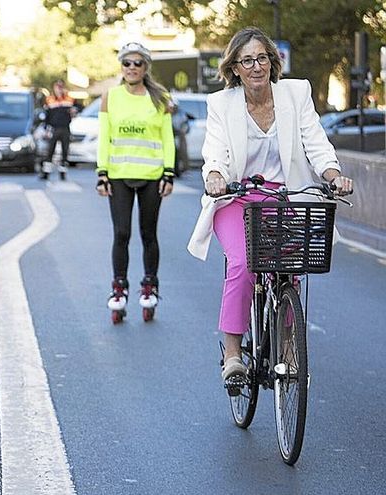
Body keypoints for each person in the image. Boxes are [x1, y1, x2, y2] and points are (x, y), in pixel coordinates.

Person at [186, 27, 354, 384]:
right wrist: (215, 176)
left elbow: (316, 143)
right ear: (235, 68)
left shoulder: (296, 94)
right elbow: (214, 151)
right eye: (247, 60)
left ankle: (288, 344)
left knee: (289, 266)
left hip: (285, 198)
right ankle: (233, 352)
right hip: (236, 198)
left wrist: (333, 174)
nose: (256, 66)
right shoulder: (221, 103)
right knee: (245, 262)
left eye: (262, 58)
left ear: (272, 62)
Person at [96, 42, 175, 321]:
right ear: (121, 67)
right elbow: (104, 136)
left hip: (152, 177)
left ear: (146, 67)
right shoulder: (110, 96)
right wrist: (101, 172)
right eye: (126, 63)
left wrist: (169, 172)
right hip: (118, 176)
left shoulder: (160, 97)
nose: (131, 68)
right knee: (121, 234)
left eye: (137, 63)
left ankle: (149, 285)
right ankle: (119, 288)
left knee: (148, 234)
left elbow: (167, 138)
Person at [40, 79, 76, 181]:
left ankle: (63, 173)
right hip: (54, 129)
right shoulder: (50, 99)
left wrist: (73, 112)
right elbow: (47, 115)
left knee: (65, 152)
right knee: (49, 152)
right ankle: (46, 172)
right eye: (57, 87)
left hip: (65, 128)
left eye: (61, 87)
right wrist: (46, 129)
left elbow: (75, 110)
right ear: (54, 88)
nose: (59, 89)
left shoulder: (69, 99)